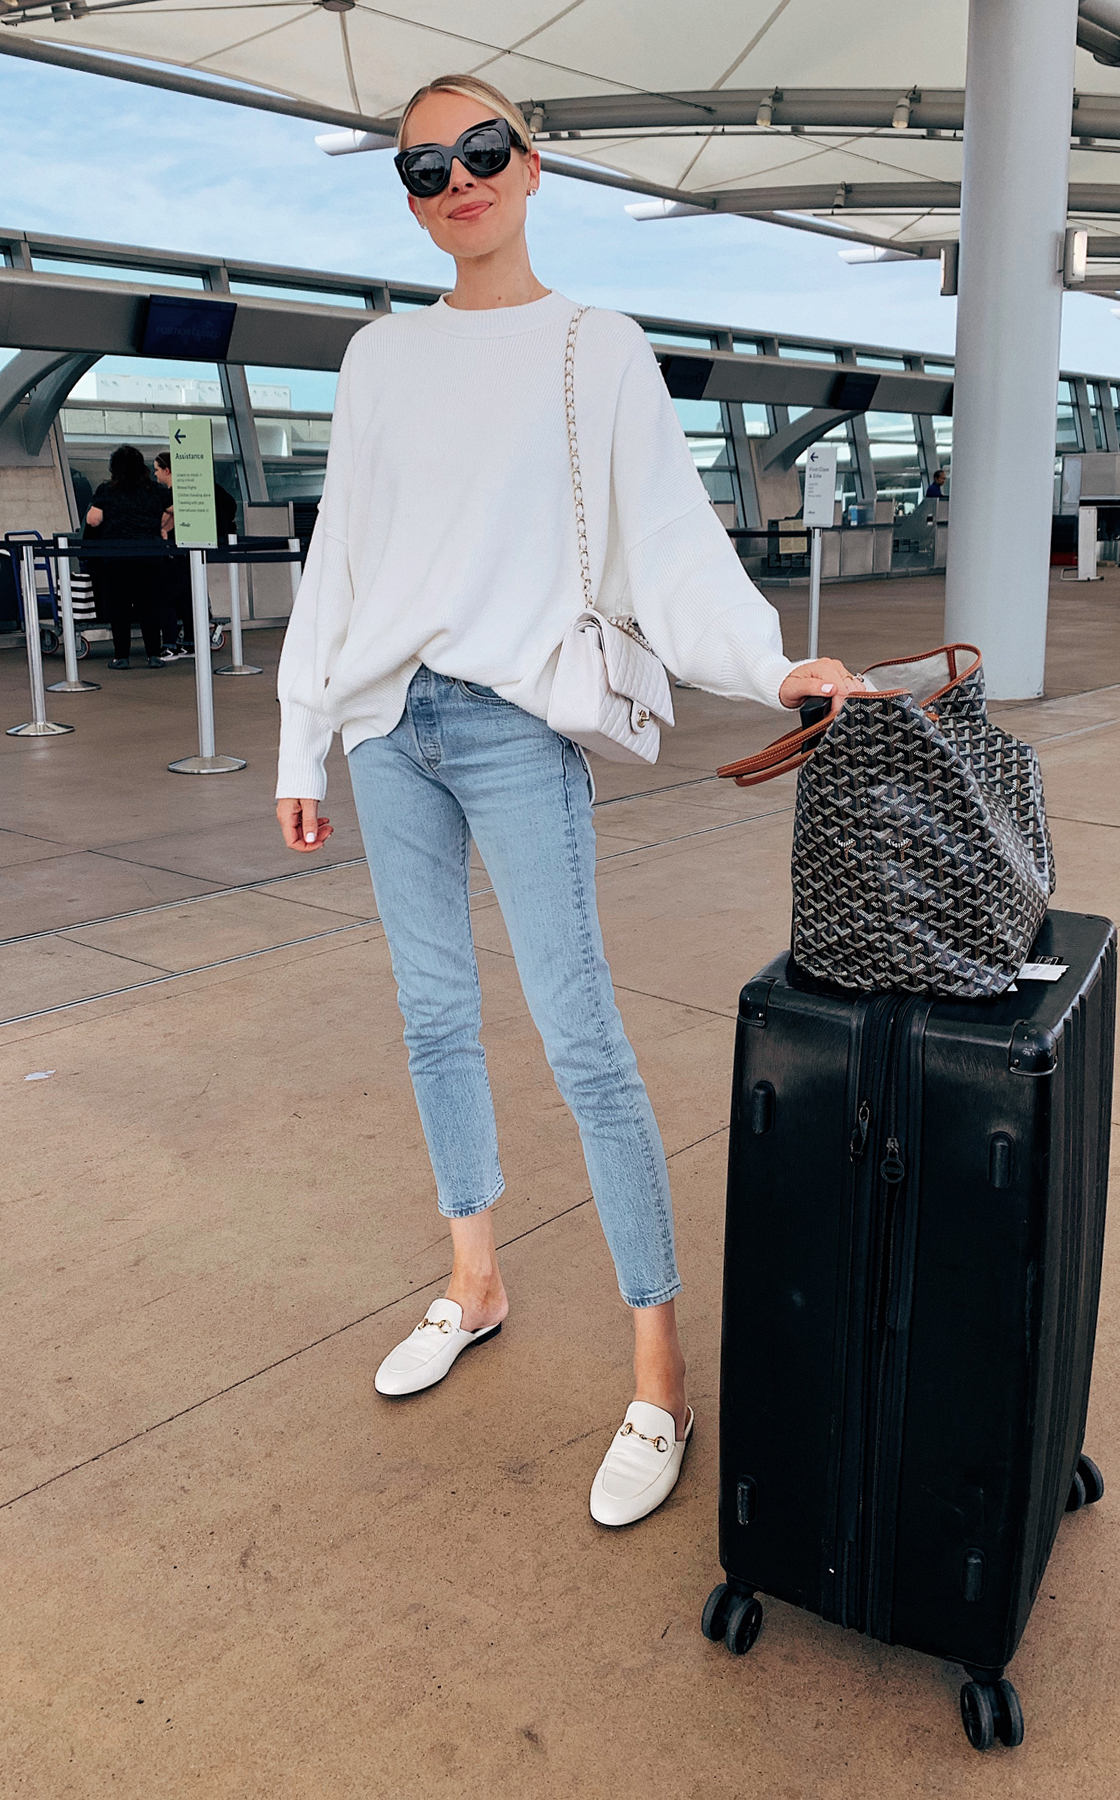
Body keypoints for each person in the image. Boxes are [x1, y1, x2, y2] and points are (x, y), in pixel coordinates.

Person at [274, 73, 865, 1530]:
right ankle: (475, 1280)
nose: (455, 180)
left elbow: (669, 547)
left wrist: (773, 665)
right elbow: (338, 559)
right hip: (384, 724)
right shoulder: (375, 360)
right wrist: (301, 742)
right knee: (431, 1017)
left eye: (480, 151)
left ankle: (659, 1374)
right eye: (423, 166)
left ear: (532, 168)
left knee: (581, 1034)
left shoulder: (595, 348)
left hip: (513, 723)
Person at [84, 444, 171, 668]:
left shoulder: (107, 491)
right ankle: (153, 654)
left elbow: (93, 520)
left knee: (119, 608)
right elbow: (175, 508)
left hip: (116, 558)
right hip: (150, 556)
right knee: (149, 607)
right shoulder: (155, 490)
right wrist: (162, 527)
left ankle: (121, 656)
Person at [154, 450, 239, 656]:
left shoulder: (174, 494)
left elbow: (167, 523)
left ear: (167, 470)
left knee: (168, 597)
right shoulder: (197, 489)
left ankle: (171, 644)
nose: (155, 474)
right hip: (194, 550)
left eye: (157, 470)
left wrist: (163, 524)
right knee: (189, 596)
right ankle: (191, 642)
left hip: (179, 552)